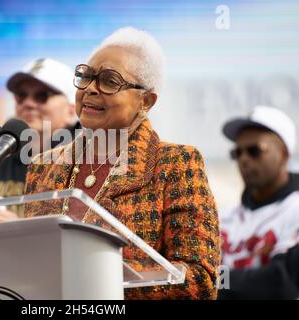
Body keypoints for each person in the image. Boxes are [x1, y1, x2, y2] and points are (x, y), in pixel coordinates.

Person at [23, 27, 220, 299]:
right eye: (87, 77)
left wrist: (101, 275)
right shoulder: (42, 167)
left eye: (109, 81)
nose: (91, 89)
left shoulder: (176, 163)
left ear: (146, 101)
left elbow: (200, 281)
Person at [219, 105, 299, 299]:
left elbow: (282, 281)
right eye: (237, 153)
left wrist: (215, 281)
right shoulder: (222, 217)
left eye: (255, 151)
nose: (244, 159)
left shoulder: (295, 209)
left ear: (283, 154)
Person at [0, 58, 80, 217]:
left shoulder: (87, 163)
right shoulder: (0, 157)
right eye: (21, 95)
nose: (28, 103)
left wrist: (17, 230)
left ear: (71, 111)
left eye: (42, 95)